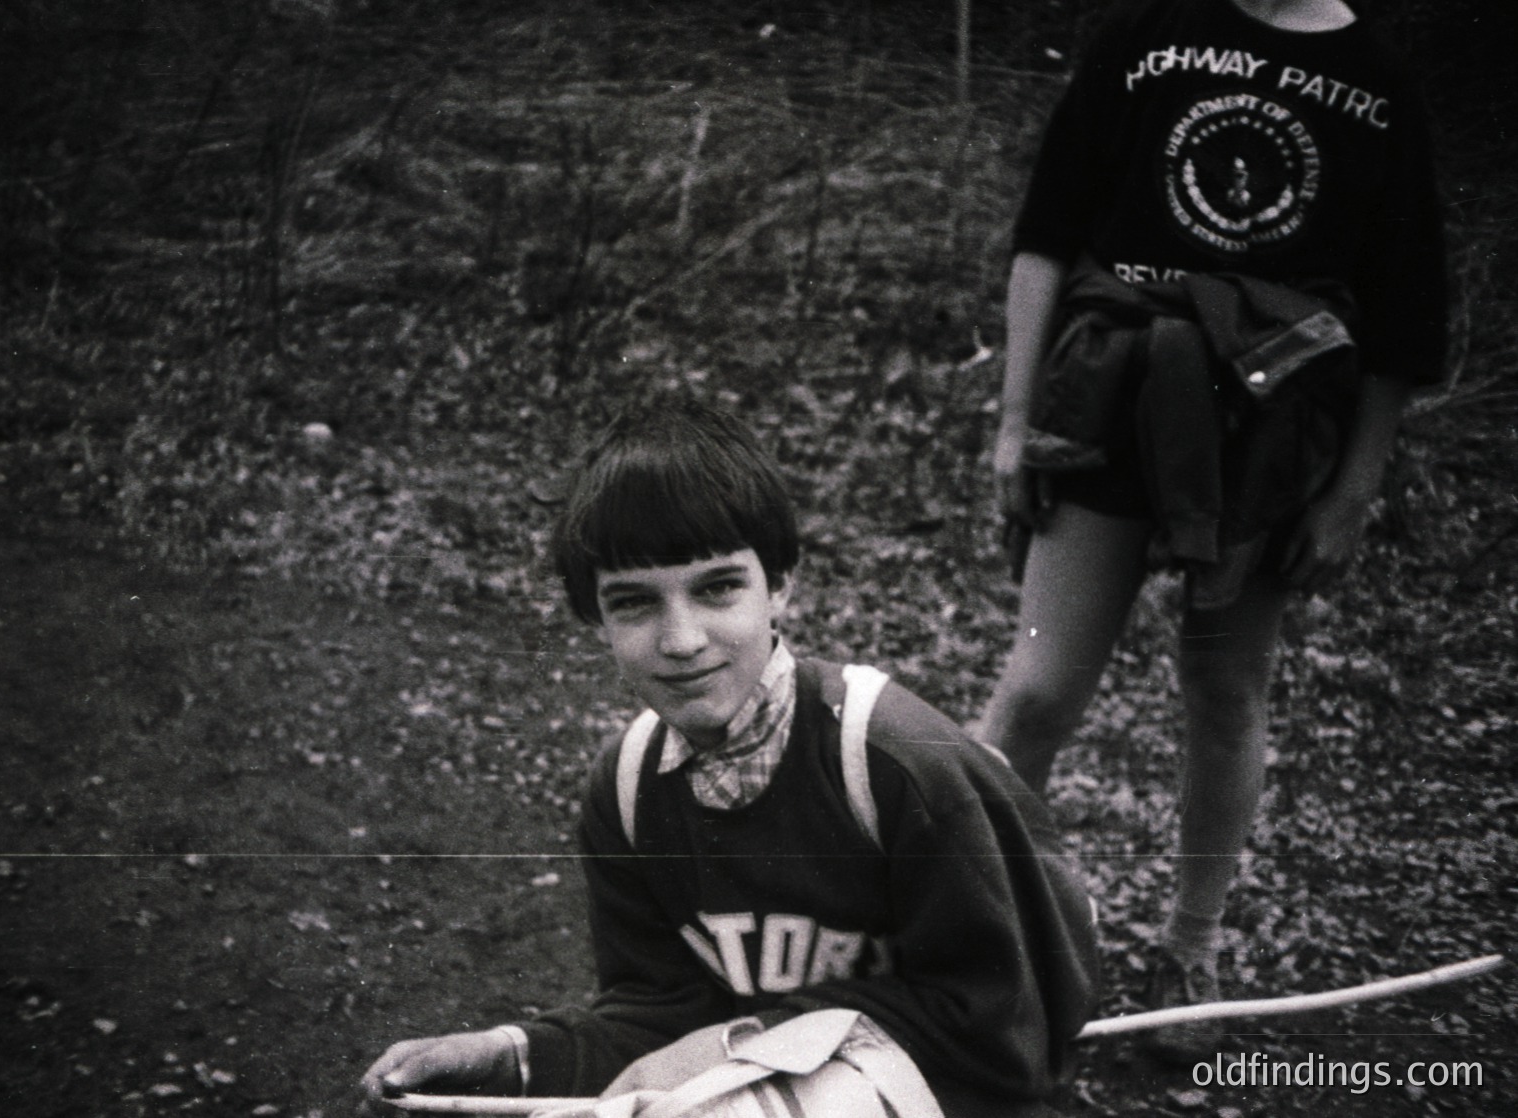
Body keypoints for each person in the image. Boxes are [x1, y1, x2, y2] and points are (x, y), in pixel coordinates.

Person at [362, 398, 1099, 1117]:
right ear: (595, 618)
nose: (681, 639)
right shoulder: (627, 791)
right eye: (634, 602)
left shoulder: (893, 761)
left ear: (780, 583)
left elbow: (1009, 1032)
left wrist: (744, 1047)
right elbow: (661, 1018)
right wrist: (513, 1055)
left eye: (718, 588)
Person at [983, 0, 1446, 1064]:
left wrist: (1352, 488)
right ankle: (958, 921)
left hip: (1271, 423)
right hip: (1111, 390)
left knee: (1228, 688)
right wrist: (1014, 422)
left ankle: (1192, 950)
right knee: (1039, 688)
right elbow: (1046, 237)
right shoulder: (1147, 37)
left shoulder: (1377, 80)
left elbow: (1407, 311)